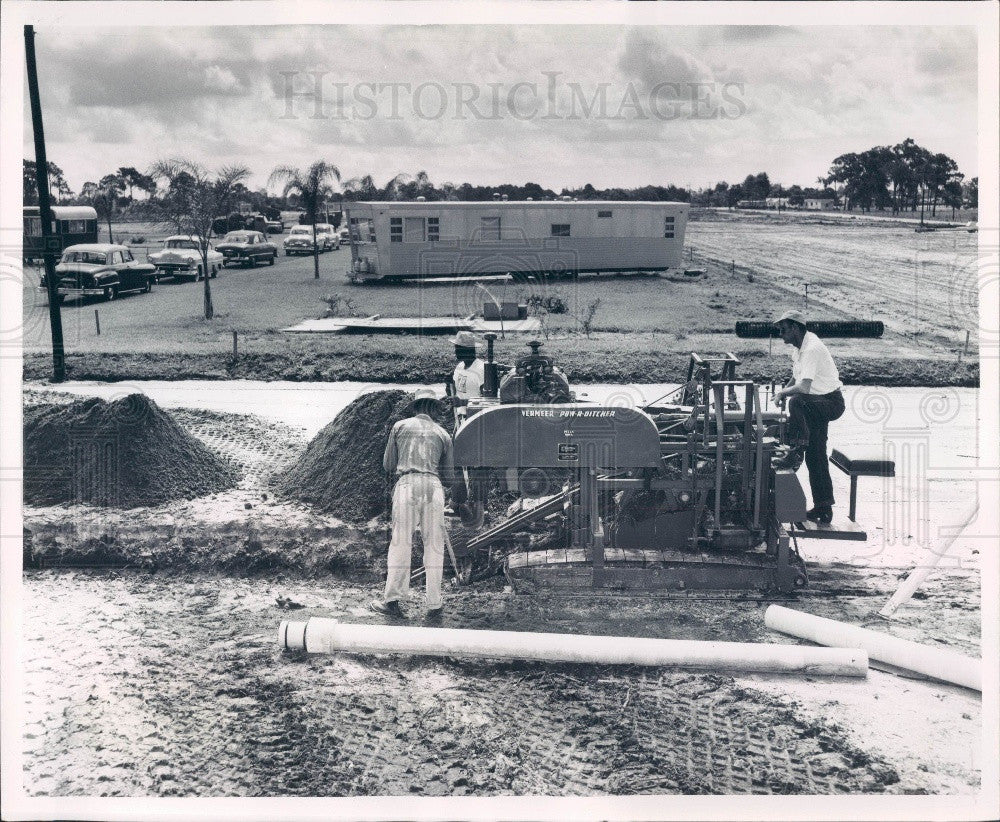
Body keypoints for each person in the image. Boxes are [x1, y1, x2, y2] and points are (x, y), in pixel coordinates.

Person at [371, 389, 455, 620]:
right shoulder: (443, 433)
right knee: (434, 546)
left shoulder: (400, 426)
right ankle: (434, 603)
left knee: (401, 543)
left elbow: (388, 465)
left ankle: (393, 601)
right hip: (433, 487)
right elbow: (449, 478)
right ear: (435, 408)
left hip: (407, 484)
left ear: (415, 406)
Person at [772, 309, 845, 524]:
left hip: (829, 402)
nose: (781, 335)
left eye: (783, 330)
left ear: (795, 327)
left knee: (797, 402)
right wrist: (785, 389)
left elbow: (803, 388)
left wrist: (782, 394)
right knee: (817, 456)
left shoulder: (812, 348)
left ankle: (796, 450)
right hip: (816, 404)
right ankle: (824, 508)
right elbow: (796, 378)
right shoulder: (800, 349)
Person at [445, 330, 485, 406]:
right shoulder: (459, 366)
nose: (456, 351)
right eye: (456, 347)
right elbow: (457, 394)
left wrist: (462, 402)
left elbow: (488, 401)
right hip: (459, 415)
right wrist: (449, 388)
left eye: (459, 348)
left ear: (469, 349)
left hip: (475, 415)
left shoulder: (482, 369)